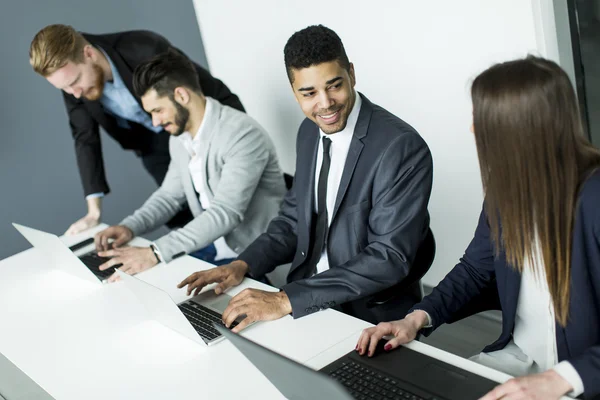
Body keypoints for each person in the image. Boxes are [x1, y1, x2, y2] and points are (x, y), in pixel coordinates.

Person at [357, 56, 600, 400]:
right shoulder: (506, 190)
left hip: (581, 380)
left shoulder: (594, 197)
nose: (473, 128)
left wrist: (562, 378)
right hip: (520, 361)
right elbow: (475, 270)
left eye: (481, 118)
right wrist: (417, 318)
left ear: (518, 128)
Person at [178, 25, 433, 331]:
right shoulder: (309, 131)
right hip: (304, 297)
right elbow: (293, 221)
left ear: (352, 74)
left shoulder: (400, 147)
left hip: (367, 313)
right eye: (309, 93)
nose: (324, 103)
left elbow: (388, 257)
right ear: (294, 92)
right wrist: (241, 265)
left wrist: (287, 301)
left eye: (334, 85)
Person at [29, 24, 245, 235]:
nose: (73, 93)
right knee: (178, 213)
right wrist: (93, 212)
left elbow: (192, 96)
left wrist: (205, 144)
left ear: (89, 53)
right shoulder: (73, 85)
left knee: (222, 201)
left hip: (197, 123)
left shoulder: (143, 47)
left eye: (75, 81)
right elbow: (85, 138)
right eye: (64, 88)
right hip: (150, 143)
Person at [93, 51, 285, 281]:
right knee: (135, 282)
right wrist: (130, 227)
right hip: (213, 248)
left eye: (158, 110)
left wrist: (155, 252)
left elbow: (226, 212)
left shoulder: (241, 134)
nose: (155, 122)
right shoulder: (179, 138)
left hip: (250, 258)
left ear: (181, 95)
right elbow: (169, 197)